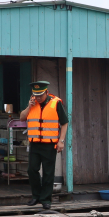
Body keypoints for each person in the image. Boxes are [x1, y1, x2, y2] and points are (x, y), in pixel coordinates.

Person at [19, 80, 68, 209]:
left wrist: (61, 141)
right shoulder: (32, 102)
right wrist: (29, 106)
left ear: (46, 92)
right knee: (32, 170)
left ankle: (46, 199)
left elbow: (64, 123)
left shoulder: (56, 103)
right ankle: (36, 196)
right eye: (36, 95)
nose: (38, 98)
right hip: (35, 143)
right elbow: (22, 117)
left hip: (49, 145)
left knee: (48, 172)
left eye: (40, 95)